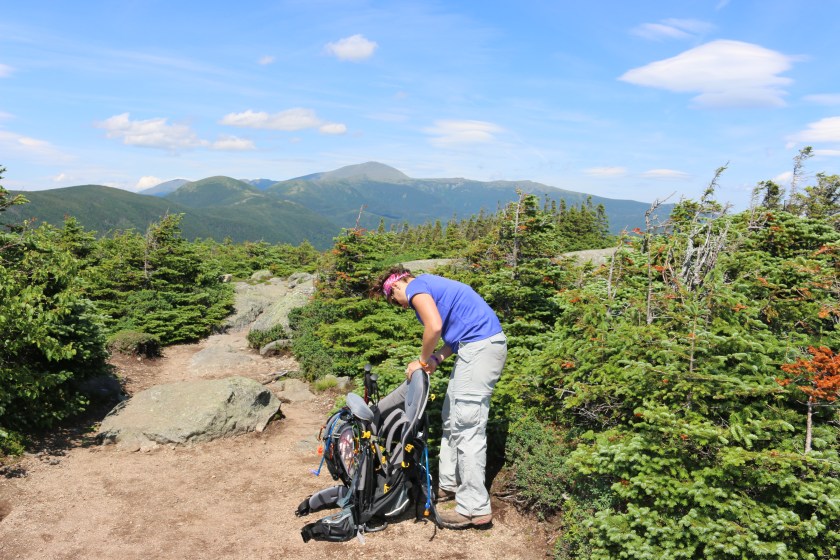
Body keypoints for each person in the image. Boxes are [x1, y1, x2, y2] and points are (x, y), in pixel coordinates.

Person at [375, 265, 507, 529]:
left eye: (394, 301)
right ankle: (449, 484)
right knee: (451, 419)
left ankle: (475, 509)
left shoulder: (415, 287)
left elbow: (434, 327)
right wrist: (437, 358)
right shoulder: (428, 285)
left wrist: (420, 361)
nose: (401, 307)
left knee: (467, 426)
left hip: (480, 350)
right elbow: (456, 337)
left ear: (396, 285)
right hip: (473, 349)